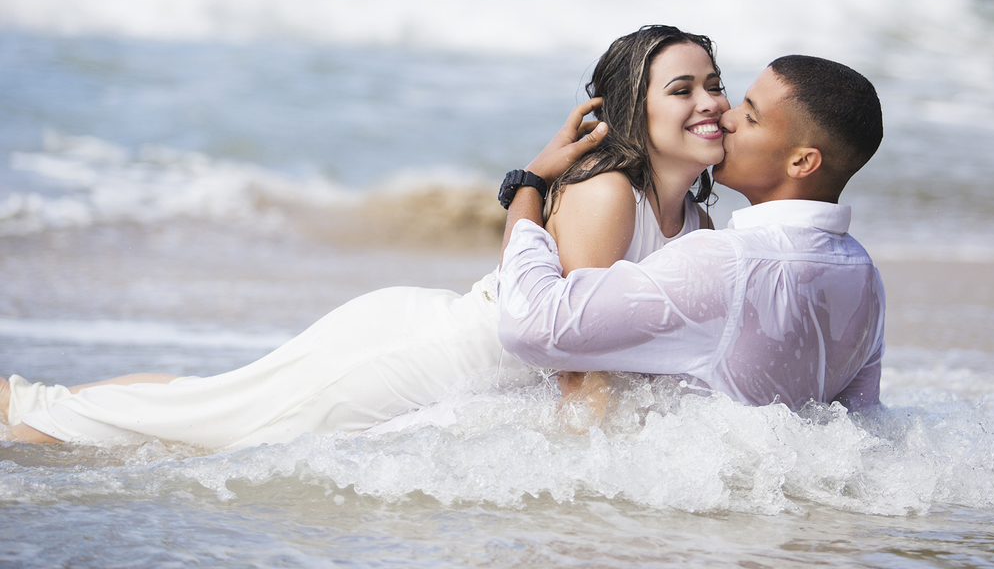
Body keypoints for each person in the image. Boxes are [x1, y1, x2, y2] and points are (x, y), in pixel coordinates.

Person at [0, 25, 730, 448]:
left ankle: (26, 401)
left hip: (457, 367)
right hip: (420, 360)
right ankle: (23, 418)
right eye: (683, 88)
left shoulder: (692, 222)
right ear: (628, 109)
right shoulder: (609, 197)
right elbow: (577, 360)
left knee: (212, 405)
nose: (711, 102)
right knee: (222, 430)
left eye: (714, 83)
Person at [497, 54, 887, 412]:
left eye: (750, 117)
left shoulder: (725, 261)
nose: (726, 118)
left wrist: (527, 184)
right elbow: (858, 420)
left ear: (802, 161)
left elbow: (530, 324)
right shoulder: (865, 276)